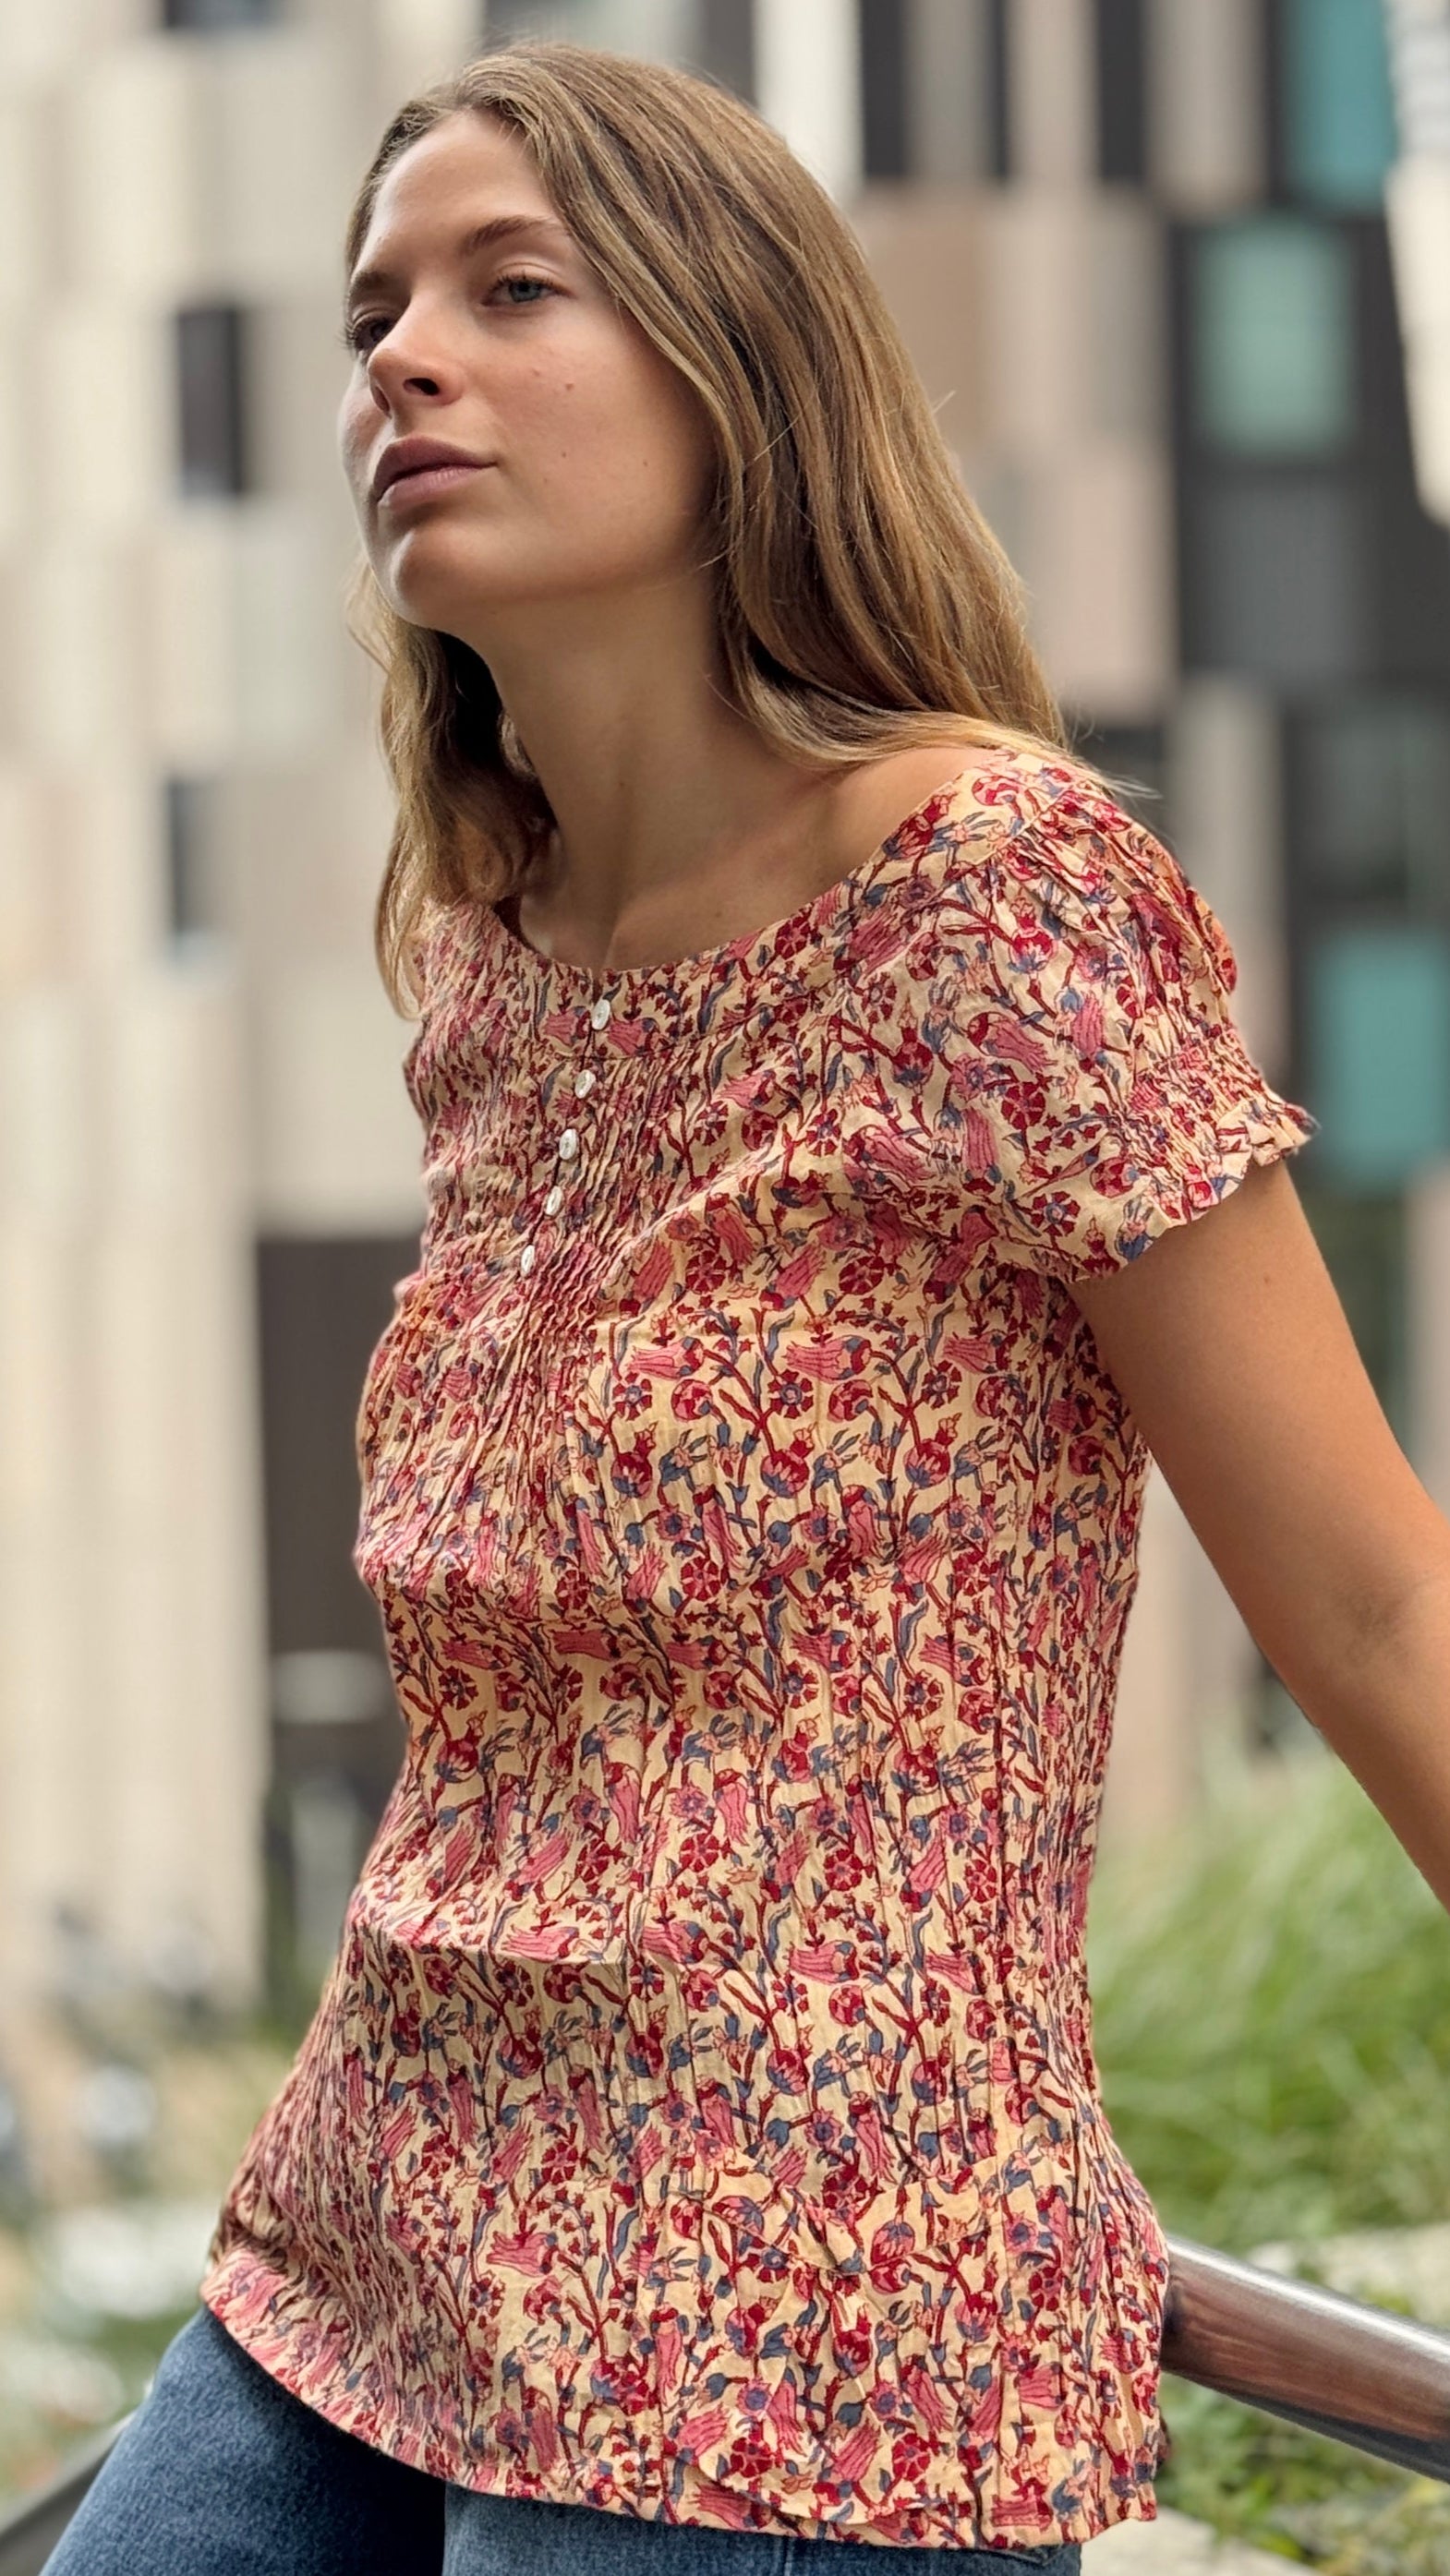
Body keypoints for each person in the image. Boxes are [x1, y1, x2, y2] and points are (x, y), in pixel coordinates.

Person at [45, 34, 1450, 2576]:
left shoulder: (994, 897)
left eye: (511, 288)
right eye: (373, 314)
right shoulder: (494, 960)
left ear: (736, 368)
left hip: (793, 2319)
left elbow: (1370, 1602)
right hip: (365, 2242)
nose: (402, 359)